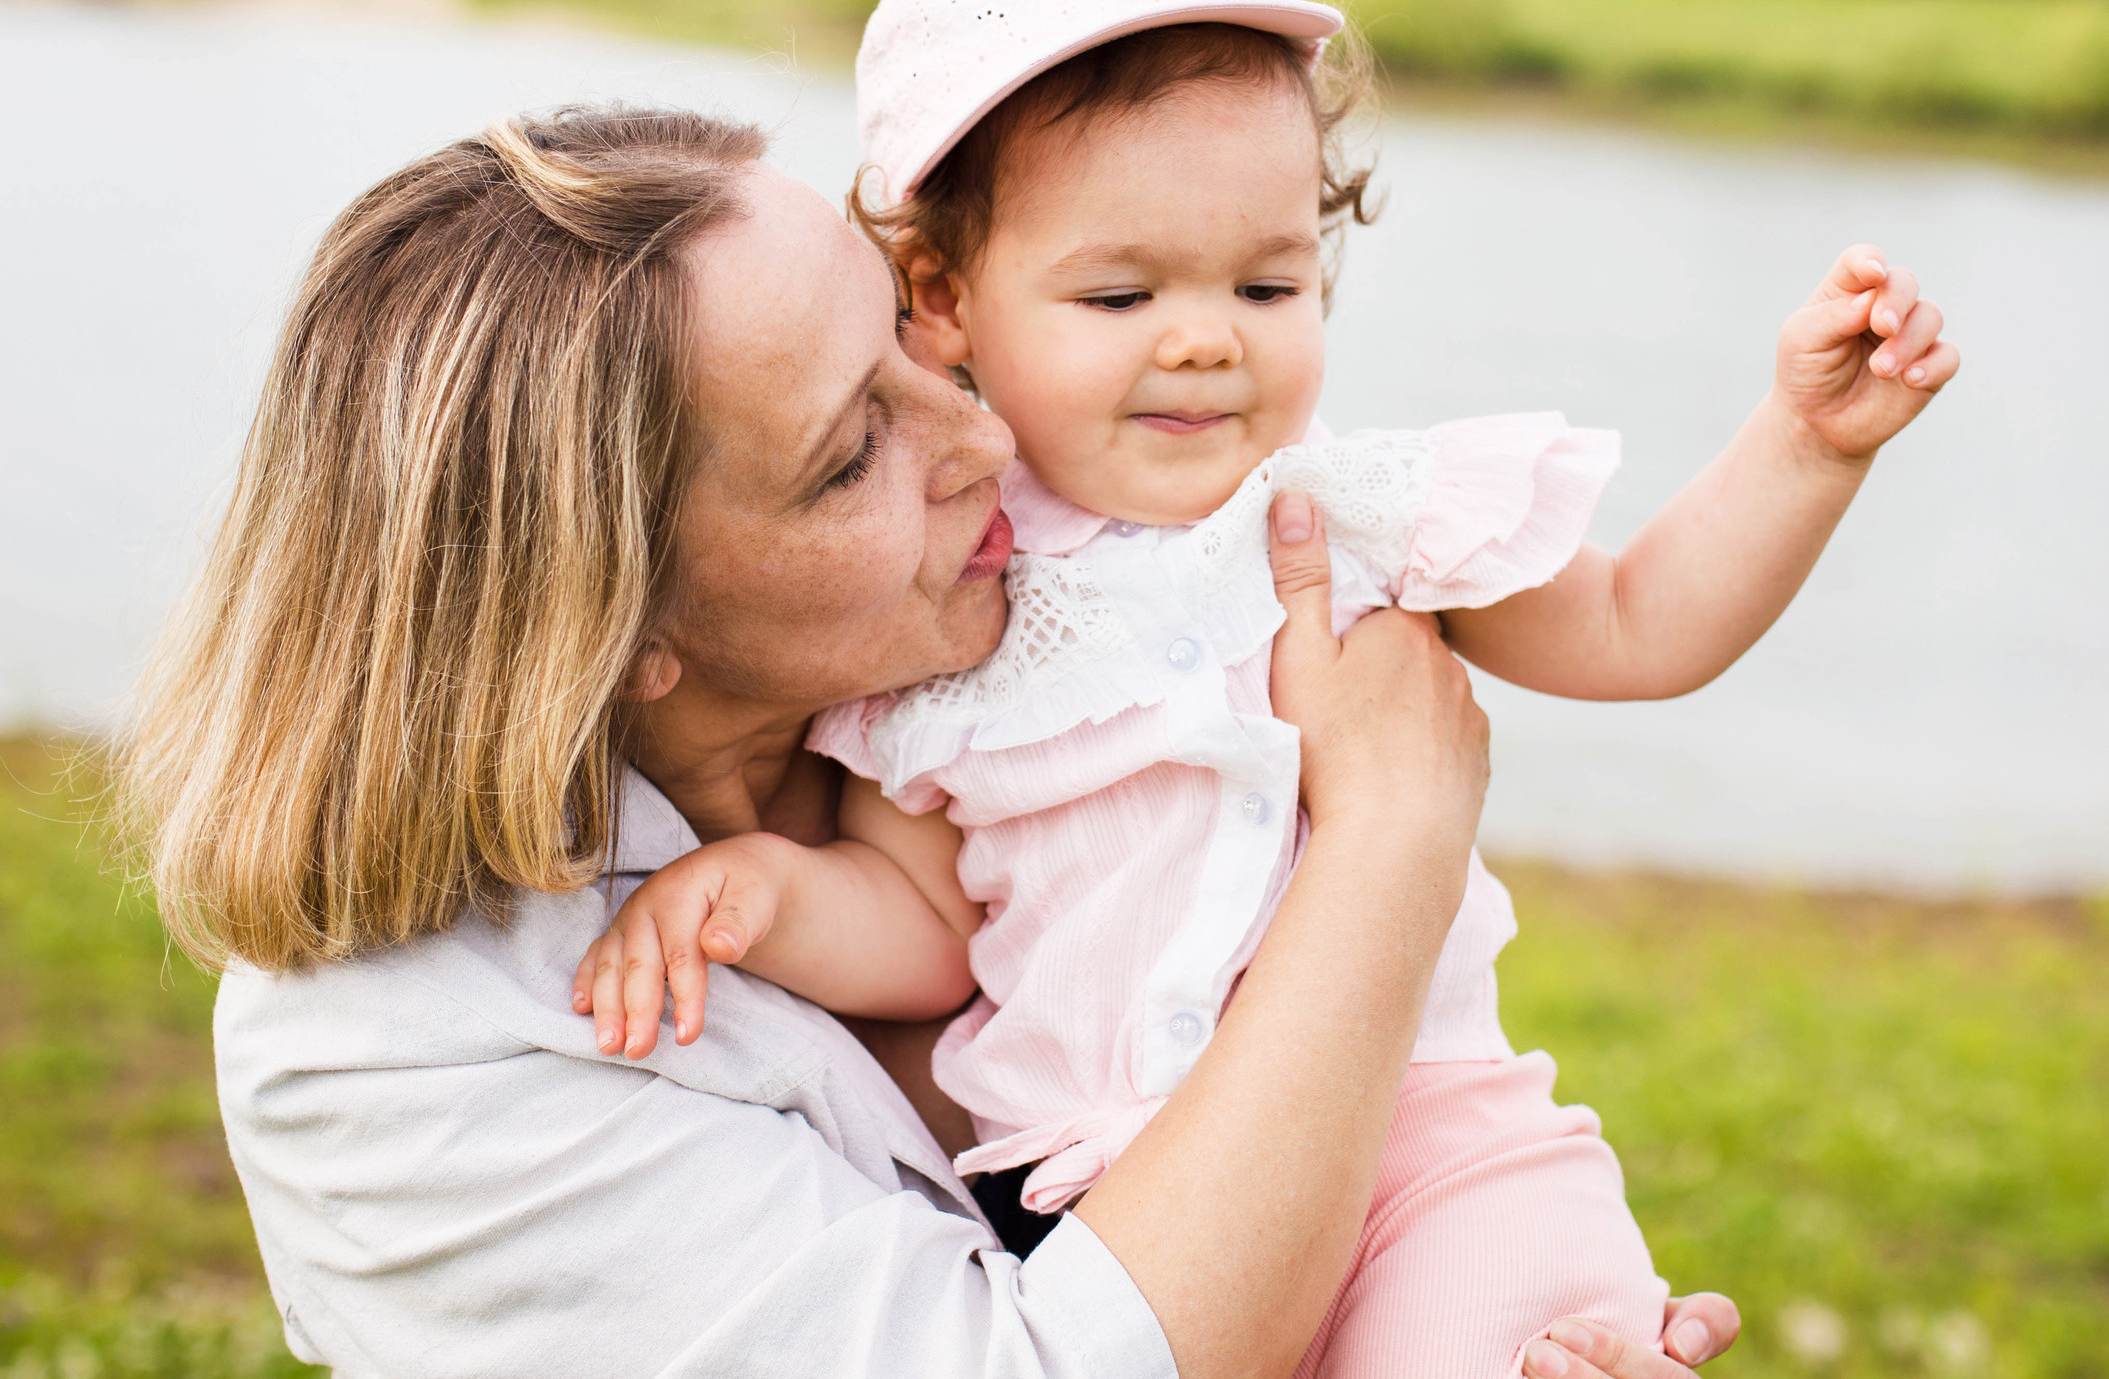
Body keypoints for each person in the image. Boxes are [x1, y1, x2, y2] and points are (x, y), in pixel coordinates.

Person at [115, 105, 1740, 1379]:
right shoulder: (407, 1054)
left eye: (913, 333)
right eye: (847, 457)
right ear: (618, 630)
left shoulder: (985, 720)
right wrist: (1390, 833)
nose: (981, 434)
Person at [581, 0, 1957, 1377]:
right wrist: (765, 898)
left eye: (1269, 283)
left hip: (1436, 1157)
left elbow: (1637, 625)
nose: (1204, 337)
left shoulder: (1348, 514)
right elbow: (928, 927)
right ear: (943, 295)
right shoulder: (944, 604)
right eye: (1121, 292)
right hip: (1120, 1203)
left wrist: (1807, 448)